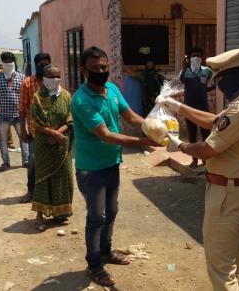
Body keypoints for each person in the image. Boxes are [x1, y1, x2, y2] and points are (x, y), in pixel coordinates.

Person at [158, 47, 239, 291]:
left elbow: (207, 149)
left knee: (220, 269)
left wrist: (180, 146)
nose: (218, 86)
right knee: (234, 262)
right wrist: (178, 107)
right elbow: (213, 121)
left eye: (218, 80)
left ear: (230, 78)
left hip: (227, 196)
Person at [71, 46, 156, 286]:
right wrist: (142, 141)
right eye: (95, 68)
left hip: (111, 164)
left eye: (104, 67)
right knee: (97, 217)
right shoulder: (81, 100)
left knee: (112, 211)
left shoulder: (112, 89)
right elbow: (106, 135)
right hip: (91, 169)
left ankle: (106, 252)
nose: (101, 71)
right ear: (84, 70)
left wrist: (154, 126)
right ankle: (94, 265)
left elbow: (130, 116)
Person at [30, 64, 74, 231]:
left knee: (64, 177)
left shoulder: (66, 96)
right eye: (51, 77)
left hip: (62, 144)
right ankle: (39, 215)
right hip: (44, 144)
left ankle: (60, 213)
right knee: (42, 178)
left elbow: (70, 120)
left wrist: (58, 134)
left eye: (58, 77)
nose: (55, 80)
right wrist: (51, 133)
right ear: (44, 79)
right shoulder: (37, 98)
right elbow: (35, 121)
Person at [19, 52, 52, 203]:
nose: (44, 67)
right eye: (41, 64)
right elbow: (22, 108)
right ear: (36, 65)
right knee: (32, 163)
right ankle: (30, 191)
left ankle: (49, 193)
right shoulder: (27, 83)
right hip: (34, 131)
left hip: (52, 131)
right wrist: (23, 131)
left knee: (51, 162)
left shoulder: (53, 82)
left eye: (47, 64)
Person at [0, 52, 28, 171]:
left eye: (10, 61)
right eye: (5, 61)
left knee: (23, 138)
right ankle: (6, 162)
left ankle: (25, 160)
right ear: (2, 63)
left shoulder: (21, 77)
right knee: (3, 140)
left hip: (19, 115)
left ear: (14, 62)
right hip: (3, 115)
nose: (8, 64)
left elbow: (26, 97)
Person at [179, 46, 215, 169]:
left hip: (203, 108)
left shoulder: (207, 71)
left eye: (198, 55)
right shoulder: (185, 71)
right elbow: (181, 80)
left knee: (206, 135)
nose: (196, 58)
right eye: (193, 55)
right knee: (192, 136)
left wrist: (207, 89)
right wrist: (184, 66)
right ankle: (194, 160)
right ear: (189, 58)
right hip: (189, 109)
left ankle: (206, 160)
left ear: (202, 57)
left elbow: (213, 81)